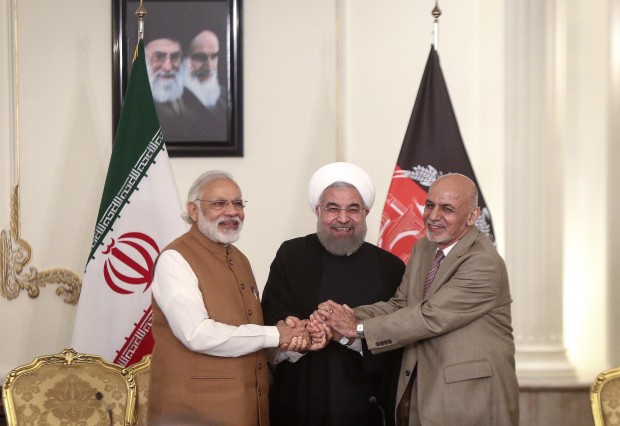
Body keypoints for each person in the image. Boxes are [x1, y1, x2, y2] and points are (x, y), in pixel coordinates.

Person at [315, 173, 519, 426]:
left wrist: (356, 328)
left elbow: (429, 316)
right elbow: (400, 304)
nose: (433, 216)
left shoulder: (483, 263)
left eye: (447, 209)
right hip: (422, 392)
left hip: (470, 400)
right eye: (430, 205)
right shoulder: (425, 248)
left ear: (472, 216)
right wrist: (343, 316)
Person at [147, 170, 327, 425]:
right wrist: (276, 334)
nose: (232, 212)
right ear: (194, 210)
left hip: (249, 411)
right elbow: (196, 333)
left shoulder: (240, 260)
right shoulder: (175, 258)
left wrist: (293, 344)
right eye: (219, 203)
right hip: (194, 413)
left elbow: (249, 340)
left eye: (238, 203)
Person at [261, 162, 406, 426]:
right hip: (298, 397)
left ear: (366, 212)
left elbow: (398, 338)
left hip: (363, 402)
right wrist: (301, 333)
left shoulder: (390, 267)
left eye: (353, 209)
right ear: (318, 211)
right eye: (332, 208)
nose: (342, 218)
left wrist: (347, 336)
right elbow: (272, 314)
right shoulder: (291, 255)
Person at [144, 35, 209, 142]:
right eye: (159, 57)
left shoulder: (191, 100)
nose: (168, 67)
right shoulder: (134, 105)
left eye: (175, 57)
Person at [184, 30, 227, 139]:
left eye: (214, 57)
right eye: (200, 57)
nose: (209, 67)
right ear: (183, 59)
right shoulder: (168, 103)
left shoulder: (225, 97)